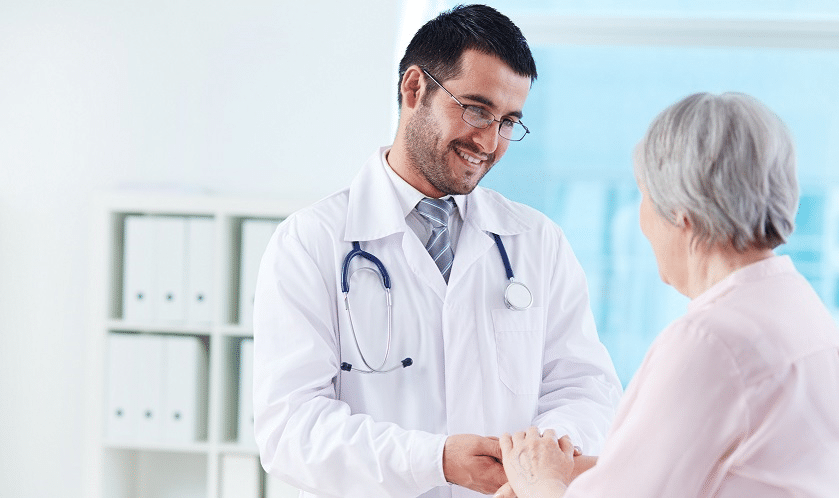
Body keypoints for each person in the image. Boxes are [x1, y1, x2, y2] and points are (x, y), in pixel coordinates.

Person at [252, 4, 622, 498]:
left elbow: (585, 390)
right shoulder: (311, 242)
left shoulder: (536, 242)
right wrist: (436, 461)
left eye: (509, 121)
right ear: (413, 89)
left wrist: (538, 456)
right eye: (476, 110)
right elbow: (291, 430)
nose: (489, 142)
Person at [498, 92, 839, 498]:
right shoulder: (798, 307)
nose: (640, 219)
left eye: (643, 194)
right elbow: (703, 467)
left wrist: (540, 485)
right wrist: (562, 474)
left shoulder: (711, 342)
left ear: (680, 209)